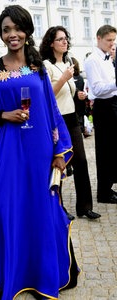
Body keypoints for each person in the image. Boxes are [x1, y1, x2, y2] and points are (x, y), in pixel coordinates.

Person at [0, 5, 79, 300]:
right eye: (6, 30)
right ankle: (9, 277)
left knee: (42, 210)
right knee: (6, 211)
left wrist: (59, 150)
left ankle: (44, 275)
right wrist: (2, 114)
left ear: (27, 31)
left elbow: (52, 111)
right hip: (7, 153)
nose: (12, 34)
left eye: (17, 28)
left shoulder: (38, 68)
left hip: (39, 153)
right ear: (1, 34)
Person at [39, 25, 101, 220]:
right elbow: (46, 96)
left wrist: (79, 95)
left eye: (66, 38)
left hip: (72, 118)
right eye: (60, 39)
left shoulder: (66, 62)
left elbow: (67, 94)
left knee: (81, 161)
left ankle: (84, 207)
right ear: (51, 43)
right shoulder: (46, 65)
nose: (65, 41)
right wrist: (65, 77)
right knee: (59, 164)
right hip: (56, 120)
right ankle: (58, 209)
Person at [84, 25, 117, 204]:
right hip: (103, 107)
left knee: (113, 149)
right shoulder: (92, 60)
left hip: (112, 104)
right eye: (109, 40)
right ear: (98, 38)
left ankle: (109, 187)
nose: (112, 44)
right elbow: (97, 88)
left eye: (114, 40)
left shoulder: (108, 58)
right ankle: (103, 193)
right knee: (104, 150)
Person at [71, 57, 92, 138]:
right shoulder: (80, 78)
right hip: (80, 104)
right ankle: (82, 130)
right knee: (80, 120)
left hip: (74, 104)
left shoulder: (73, 78)